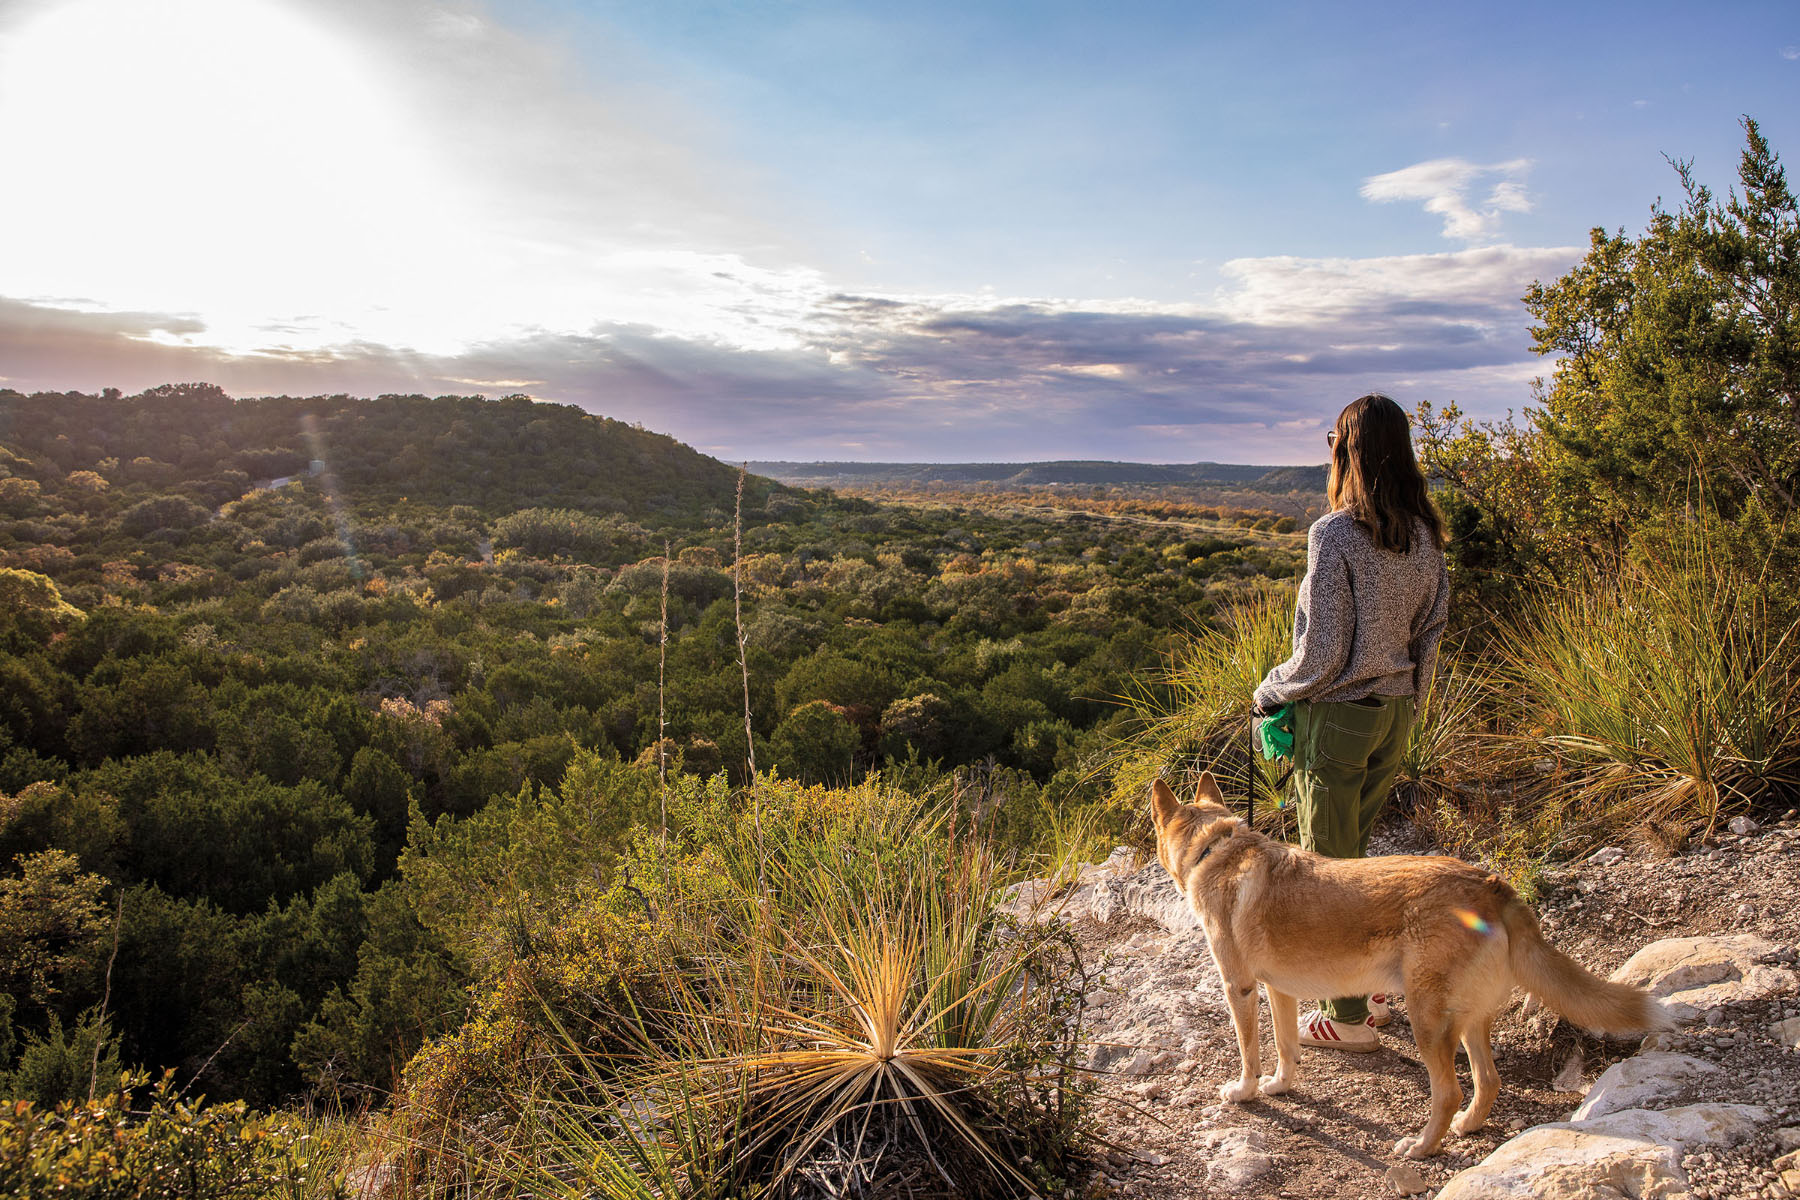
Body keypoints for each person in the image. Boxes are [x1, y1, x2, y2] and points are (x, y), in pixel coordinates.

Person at [1251, 392, 1449, 1051]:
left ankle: (1350, 1019)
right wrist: (1409, 702)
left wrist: (1270, 691)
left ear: (1349, 451)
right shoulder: (1425, 535)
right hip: (1394, 717)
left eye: (1333, 440)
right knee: (1358, 864)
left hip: (1337, 723)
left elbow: (1322, 652)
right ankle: (1372, 992)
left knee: (1328, 875)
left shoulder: (1334, 534)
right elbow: (1432, 632)